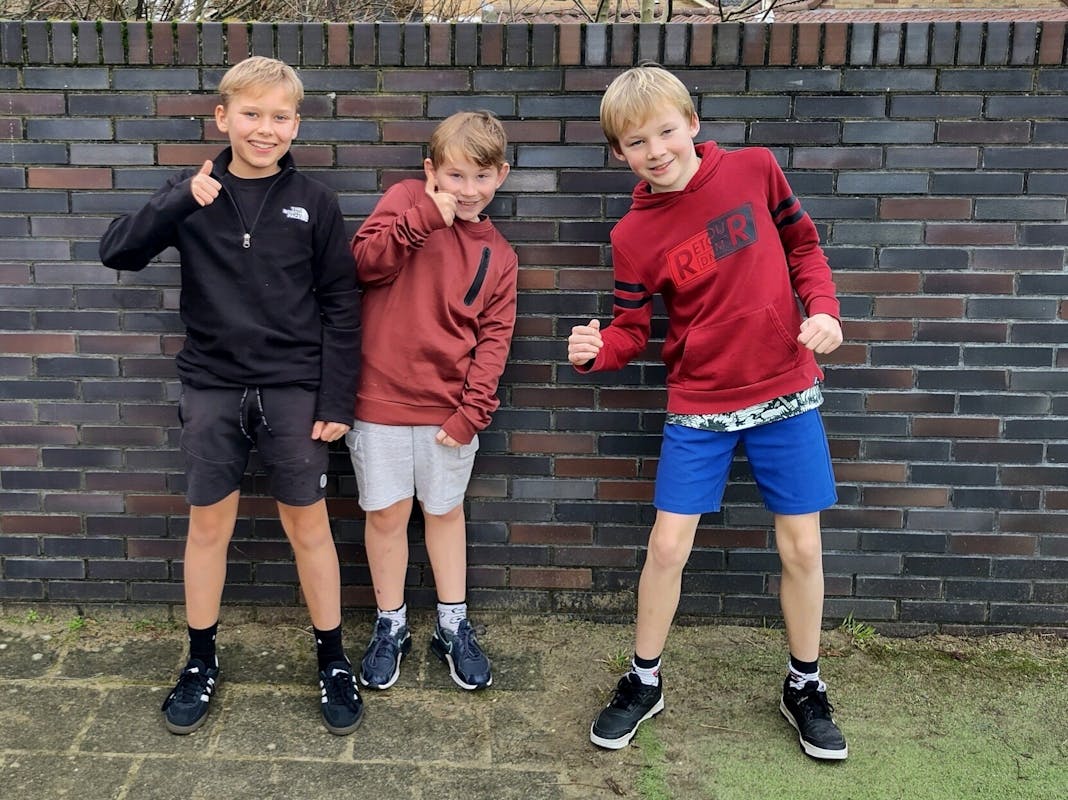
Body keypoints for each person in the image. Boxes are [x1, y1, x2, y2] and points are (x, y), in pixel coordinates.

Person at [568, 64, 848, 761]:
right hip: (699, 401)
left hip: (786, 388)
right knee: (667, 547)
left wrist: (824, 310)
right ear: (619, 153)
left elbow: (804, 247)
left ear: (692, 124)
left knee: (803, 547)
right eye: (636, 142)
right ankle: (643, 679)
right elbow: (631, 329)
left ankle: (804, 684)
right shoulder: (633, 235)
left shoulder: (755, 170)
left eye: (666, 131)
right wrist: (598, 351)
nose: (656, 150)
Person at [99, 56, 364, 737]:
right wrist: (179, 200)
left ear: (295, 124)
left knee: (309, 527)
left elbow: (341, 303)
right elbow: (117, 251)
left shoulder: (315, 201)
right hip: (212, 387)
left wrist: (337, 400)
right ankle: (199, 660)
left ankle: (333, 660)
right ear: (222, 118)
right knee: (207, 528)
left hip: (294, 390)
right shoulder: (192, 195)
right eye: (251, 114)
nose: (264, 128)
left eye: (280, 116)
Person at [347, 111, 517, 693]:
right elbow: (361, 265)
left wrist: (473, 412)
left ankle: (452, 623)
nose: (468, 190)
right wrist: (423, 217)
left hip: (449, 413)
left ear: (501, 176)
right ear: (431, 171)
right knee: (386, 515)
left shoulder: (500, 255)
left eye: (481, 177)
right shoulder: (404, 201)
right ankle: (390, 623)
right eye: (455, 176)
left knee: (444, 513)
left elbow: (493, 341)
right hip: (379, 402)